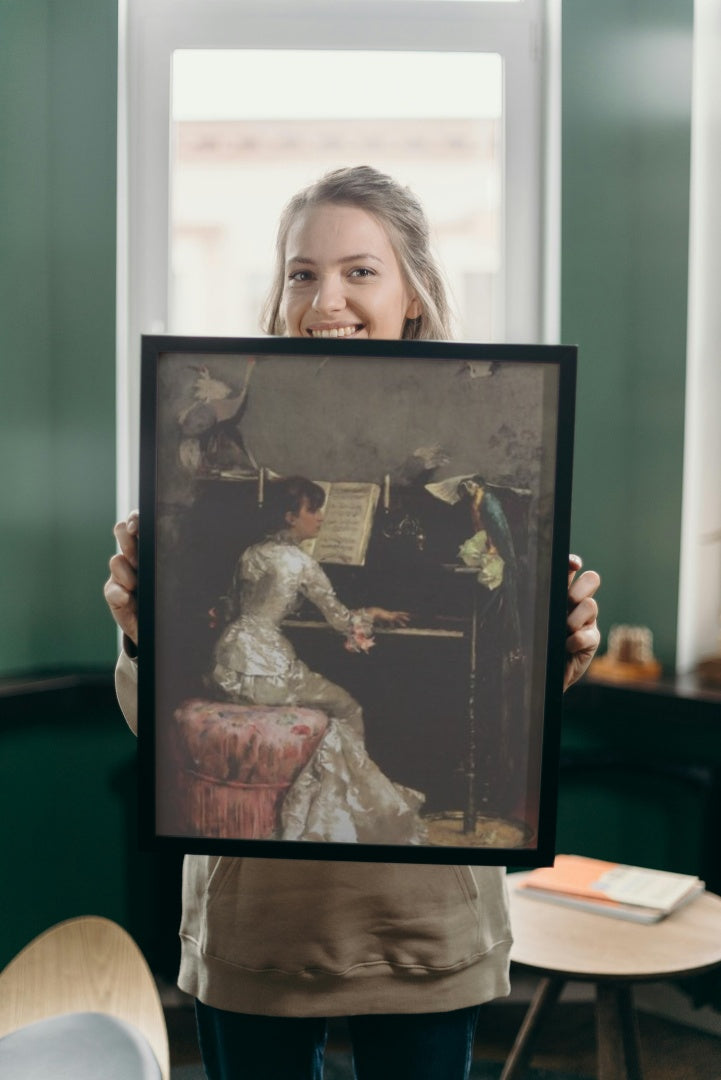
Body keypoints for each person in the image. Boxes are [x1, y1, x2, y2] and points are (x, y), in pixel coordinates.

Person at [105, 165, 601, 1080]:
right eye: (301, 272)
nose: (323, 297)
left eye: (359, 271)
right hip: (257, 925)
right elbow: (159, 727)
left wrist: (558, 654)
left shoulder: (483, 438)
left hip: (421, 928)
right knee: (343, 705)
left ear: (413, 291)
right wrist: (141, 637)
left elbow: (523, 702)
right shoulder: (213, 446)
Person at [208, 473, 425, 845]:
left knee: (328, 704)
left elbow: (232, 608)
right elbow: (341, 618)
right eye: (314, 510)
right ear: (291, 517)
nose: (321, 517)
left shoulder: (251, 552)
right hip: (267, 671)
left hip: (227, 664)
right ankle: (345, 810)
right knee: (348, 708)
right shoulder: (300, 563)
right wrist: (374, 611)